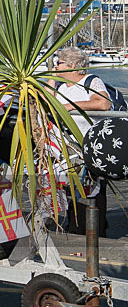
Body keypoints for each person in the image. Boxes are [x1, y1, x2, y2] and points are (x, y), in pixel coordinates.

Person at [50, 46, 111, 235]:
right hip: (65, 148)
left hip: (88, 147)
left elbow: (103, 103)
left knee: (92, 190)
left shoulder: (91, 81)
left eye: (59, 63)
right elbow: (45, 101)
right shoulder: (60, 85)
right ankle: (75, 226)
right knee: (70, 190)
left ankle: (96, 230)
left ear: (73, 66)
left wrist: (71, 106)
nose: (56, 66)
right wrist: (52, 77)